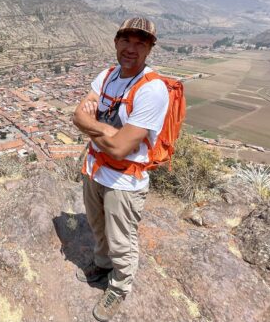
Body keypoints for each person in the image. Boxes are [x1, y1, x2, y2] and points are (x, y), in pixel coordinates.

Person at [72, 17, 169, 322]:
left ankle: (120, 285)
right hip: (96, 170)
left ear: (149, 49)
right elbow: (77, 116)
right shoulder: (107, 75)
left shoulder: (152, 90)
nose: (131, 48)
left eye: (140, 43)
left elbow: (120, 148)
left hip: (125, 181)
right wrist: (105, 131)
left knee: (122, 239)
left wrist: (93, 126)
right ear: (116, 42)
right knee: (97, 225)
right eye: (126, 40)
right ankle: (102, 264)